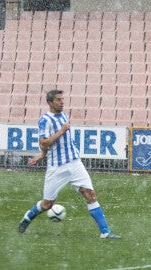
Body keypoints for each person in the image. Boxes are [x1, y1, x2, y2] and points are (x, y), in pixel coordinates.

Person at [18, 89, 121, 239]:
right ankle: (28, 217)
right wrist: (59, 133)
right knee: (47, 204)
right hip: (57, 167)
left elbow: (52, 144)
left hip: (74, 163)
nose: (62, 103)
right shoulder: (45, 120)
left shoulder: (64, 115)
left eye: (62, 100)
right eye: (58, 100)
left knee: (90, 194)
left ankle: (105, 232)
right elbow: (43, 142)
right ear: (50, 102)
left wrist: (43, 154)